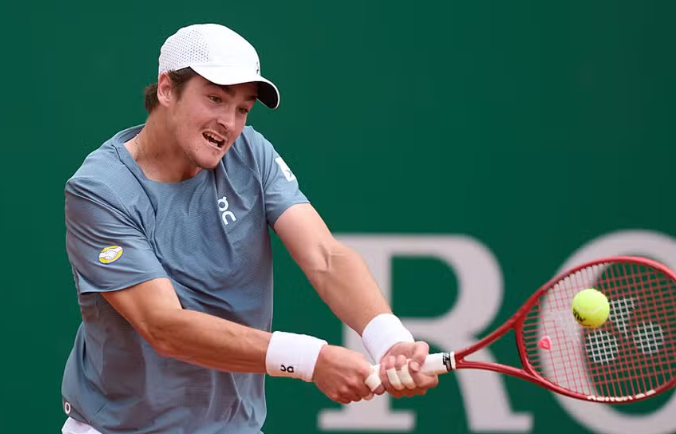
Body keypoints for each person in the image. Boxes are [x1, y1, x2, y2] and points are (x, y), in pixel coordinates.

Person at [59, 23, 438, 434]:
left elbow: (325, 256)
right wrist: (310, 359)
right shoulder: (100, 190)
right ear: (166, 90)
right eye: (215, 98)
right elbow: (164, 326)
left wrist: (390, 340)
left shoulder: (250, 153)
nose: (229, 123)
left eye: (243, 109)